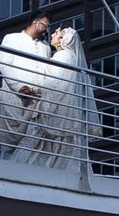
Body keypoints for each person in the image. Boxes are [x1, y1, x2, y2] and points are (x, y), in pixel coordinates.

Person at [8, 26, 100, 171]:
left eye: (57, 33)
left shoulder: (63, 56)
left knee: (36, 142)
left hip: (54, 110)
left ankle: (17, 169)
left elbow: (52, 82)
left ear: (63, 40)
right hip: (63, 111)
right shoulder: (69, 57)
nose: (53, 35)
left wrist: (34, 88)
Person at [0, 13, 52, 153]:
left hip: (35, 102)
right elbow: (4, 65)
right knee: (8, 150)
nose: (46, 31)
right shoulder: (11, 38)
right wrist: (19, 88)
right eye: (45, 26)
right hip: (13, 99)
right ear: (35, 22)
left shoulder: (46, 47)